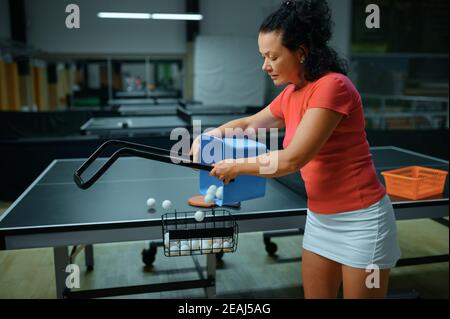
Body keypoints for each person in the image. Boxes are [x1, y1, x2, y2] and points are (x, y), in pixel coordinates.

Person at [191, 0, 400, 299]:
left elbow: (293, 159)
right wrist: (209, 135)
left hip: (362, 222)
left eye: (272, 57)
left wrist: (235, 166)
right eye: (263, 56)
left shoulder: (332, 87)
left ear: (300, 53)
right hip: (320, 219)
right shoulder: (291, 94)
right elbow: (250, 125)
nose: (265, 66)